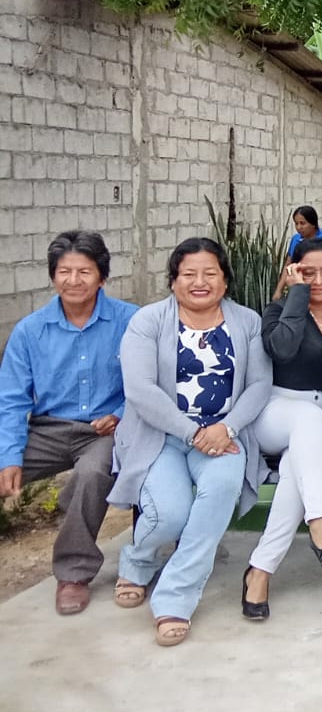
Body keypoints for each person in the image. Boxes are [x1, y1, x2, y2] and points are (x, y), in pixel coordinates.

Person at [110, 238, 272, 647]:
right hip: (160, 435)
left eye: (210, 273)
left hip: (223, 437)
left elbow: (259, 384)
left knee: (218, 494)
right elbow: (141, 389)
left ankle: (175, 598)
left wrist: (227, 428)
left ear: (225, 280)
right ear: (173, 281)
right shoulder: (148, 321)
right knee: (169, 515)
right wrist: (192, 433)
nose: (200, 282)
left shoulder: (247, 321)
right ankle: (139, 559)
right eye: (189, 274)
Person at [0, 231, 138, 615]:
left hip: (103, 431)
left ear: (102, 277)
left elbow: (149, 381)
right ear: (52, 276)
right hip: (47, 429)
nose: (73, 281)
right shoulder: (31, 330)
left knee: (92, 474)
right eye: (64, 271)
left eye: (84, 272)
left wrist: (121, 414)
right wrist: (9, 456)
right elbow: (11, 399)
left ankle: (73, 573)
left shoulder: (131, 321)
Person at [242, 238, 322, 619]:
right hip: (278, 412)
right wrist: (296, 294)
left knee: (294, 475)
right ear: (292, 271)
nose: (318, 280)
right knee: (309, 418)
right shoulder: (277, 310)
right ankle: (320, 522)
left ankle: (260, 572)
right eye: (307, 272)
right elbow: (283, 349)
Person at [273, 205, 322, 299]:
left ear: (313, 223)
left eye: (302, 223)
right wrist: (278, 291)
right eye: (296, 224)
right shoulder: (295, 240)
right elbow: (288, 265)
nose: (299, 227)